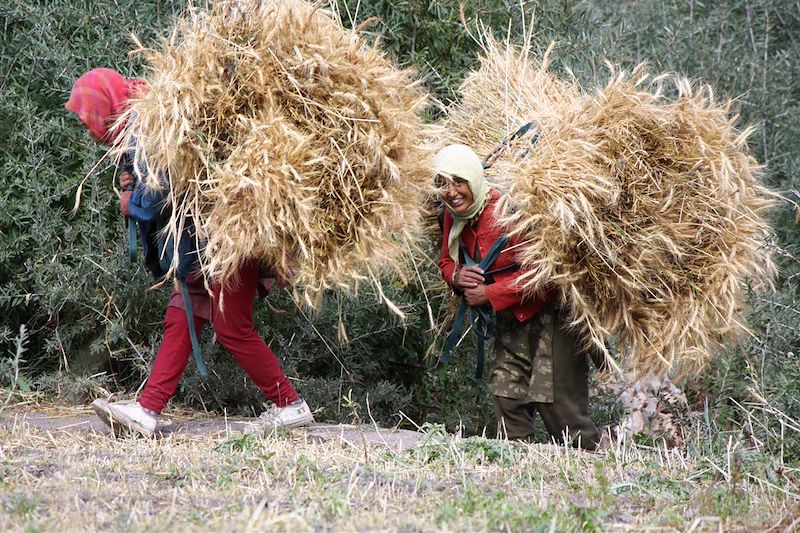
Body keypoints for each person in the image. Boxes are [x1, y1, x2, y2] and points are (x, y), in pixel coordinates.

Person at [66, 67, 314, 437]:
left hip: (230, 236)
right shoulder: (140, 127)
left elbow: (160, 191)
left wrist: (131, 201)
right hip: (203, 246)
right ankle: (147, 411)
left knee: (232, 326)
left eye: (89, 118)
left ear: (106, 106)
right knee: (182, 315)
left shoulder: (149, 127)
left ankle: (290, 406)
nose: (89, 130)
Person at [434, 143, 601, 450]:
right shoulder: (452, 217)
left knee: (556, 401)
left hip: (554, 315)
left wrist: (490, 292)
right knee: (506, 393)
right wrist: (457, 276)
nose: (451, 191)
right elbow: (447, 259)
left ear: (473, 178)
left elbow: (550, 272)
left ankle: (588, 473)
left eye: (458, 181)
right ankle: (522, 473)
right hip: (511, 318)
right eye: (442, 183)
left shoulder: (509, 210)